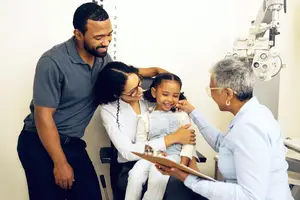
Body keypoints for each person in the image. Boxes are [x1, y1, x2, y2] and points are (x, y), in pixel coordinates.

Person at [17, 3, 168, 200]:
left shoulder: (101, 58)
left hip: (72, 143)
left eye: (109, 35)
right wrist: (60, 163)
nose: (106, 42)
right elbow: (43, 117)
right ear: (78, 34)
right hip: (38, 143)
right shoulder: (52, 62)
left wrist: (155, 72)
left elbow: (119, 75)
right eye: (98, 37)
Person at [156, 58, 294, 200]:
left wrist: (187, 178)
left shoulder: (250, 128)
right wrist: (193, 112)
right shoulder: (253, 115)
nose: (211, 95)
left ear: (228, 94)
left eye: (212, 90)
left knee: (179, 190)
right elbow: (222, 144)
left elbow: (250, 196)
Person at [95, 62, 197, 199]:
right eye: (132, 91)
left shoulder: (154, 98)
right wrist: (171, 139)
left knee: (167, 179)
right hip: (132, 162)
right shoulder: (109, 110)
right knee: (140, 176)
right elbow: (127, 152)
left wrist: (192, 162)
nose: (140, 91)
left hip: (169, 157)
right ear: (116, 93)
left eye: (139, 84)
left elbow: (185, 131)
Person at [125, 73, 196, 200]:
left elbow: (189, 143)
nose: (170, 99)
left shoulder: (182, 116)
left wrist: (183, 165)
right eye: (165, 94)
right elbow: (140, 145)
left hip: (173, 156)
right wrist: (155, 154)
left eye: (175, 95)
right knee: (135, 174)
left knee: (157, 176)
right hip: (151, 155)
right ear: (154, 92)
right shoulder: (145, 118)